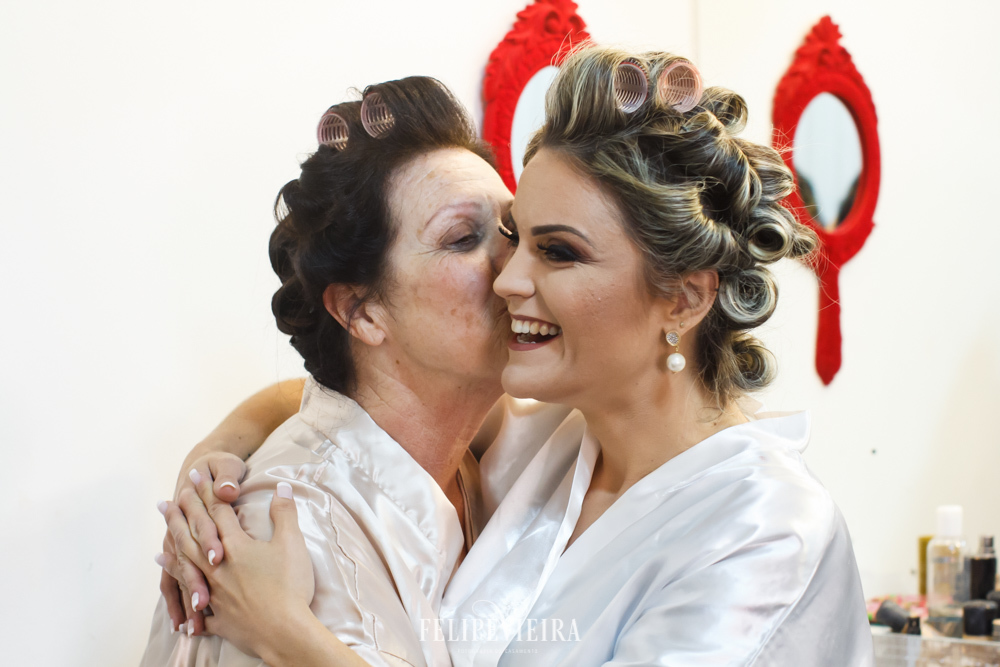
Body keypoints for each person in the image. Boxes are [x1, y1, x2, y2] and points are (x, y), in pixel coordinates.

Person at [159, 46, 874, 665]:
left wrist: (292, 637)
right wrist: (217, 454)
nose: (507, 277)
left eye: (554, 250)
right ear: (360, 309)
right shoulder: (557, 445)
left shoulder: (764, 533)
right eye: (506, 235)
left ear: (684, 298)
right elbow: (364, 413)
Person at [140, 75, 525, 666]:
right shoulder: (278, 542)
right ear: (361, 311)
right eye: (463, 238)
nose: (516, 264)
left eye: (513, 229)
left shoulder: (500, 446)